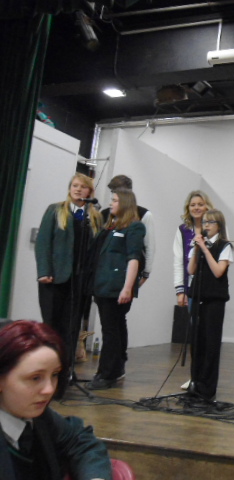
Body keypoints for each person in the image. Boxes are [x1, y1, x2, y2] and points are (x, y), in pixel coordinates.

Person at [0, 320, 112, 480]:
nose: (49, 389)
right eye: (35, 378)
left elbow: (79, 440)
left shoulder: (38, 417)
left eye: (54, 375)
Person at [35, 173, 102, 369]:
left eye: (82, 186)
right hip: (55, 279)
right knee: (51, 324)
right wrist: (44, 271)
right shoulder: (56, 210)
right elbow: (43, 242)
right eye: (75, 185)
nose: (78, 189)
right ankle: (48, 367)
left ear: (89, 191)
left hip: (79, 282)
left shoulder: (94, 217)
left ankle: (66, 371)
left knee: (71, 327)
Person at [87, 189, 145, 390]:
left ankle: (107, 373)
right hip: (102, 285)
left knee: (110, 330)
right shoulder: (112, 226)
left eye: (115, 200)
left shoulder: (135, 227)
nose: (111, 203)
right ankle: (115, 368)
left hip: (116, 286)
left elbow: (134, 258)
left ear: (126, 203)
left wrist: (127, 288)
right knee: (115, 327)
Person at [187, 209, 233, 401]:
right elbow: (191, 270)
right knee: (197, 342)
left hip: (215, 301)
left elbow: (218, 271)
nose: (206, 225)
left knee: (211, 344)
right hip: (198, 298)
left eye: (210, 222)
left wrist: (205, 250)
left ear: (219, 226)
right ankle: (195, 383)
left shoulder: (225, 246)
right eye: (204, 222)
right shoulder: (199, 244)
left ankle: (208, 389)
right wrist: (197, 249)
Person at [101, 175, 155, 287]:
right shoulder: (105, 214)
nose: (114, 196)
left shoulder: (144, 214)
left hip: (128, 270)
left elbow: (149, 245)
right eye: (112, 192)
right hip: (105, 270)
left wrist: (146, 272)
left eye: (117, 192)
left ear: (129, 193)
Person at [173, 190, 215, 308]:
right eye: (193, 205)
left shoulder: (216, 228)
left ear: (207, 207)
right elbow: (178, 261)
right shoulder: (183, 231)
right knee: (191, 319)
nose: (196, 208)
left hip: (211, 287)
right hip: (191, 288)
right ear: (188, 208)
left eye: (200, 204)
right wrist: (180, 290)